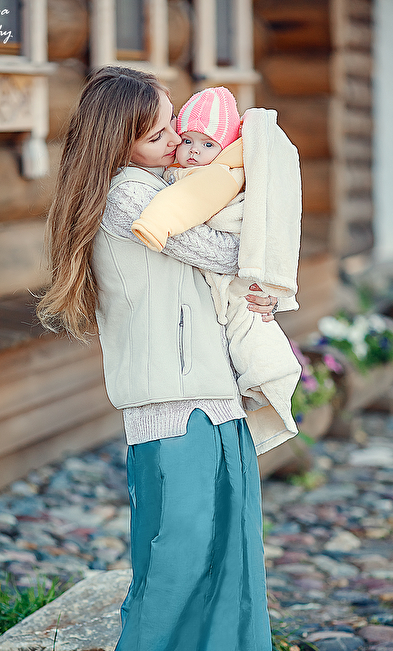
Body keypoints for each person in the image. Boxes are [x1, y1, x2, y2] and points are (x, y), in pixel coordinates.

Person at [37, 65, 287, 651]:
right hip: (175, 413)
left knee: (225, 570)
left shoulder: (163, 187)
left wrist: (260, 289)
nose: (177, 140)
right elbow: (225, 249)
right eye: (157, 135)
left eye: (174, 122)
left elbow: (228, 272)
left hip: (211, 401)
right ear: (118, 144)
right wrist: (262, 222)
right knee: (177, 572)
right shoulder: (130, 195)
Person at [132, 86, 302, 455]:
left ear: (224, 148)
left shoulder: (219, 175)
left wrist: (155, 224)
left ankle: (269, 386)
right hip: (182, 351)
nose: (191, 150)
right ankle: (265, 390)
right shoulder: (134, 189)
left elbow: (187, 206)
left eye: (207, 144)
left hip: (232, 282)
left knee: (252, 334)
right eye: (187, 140)